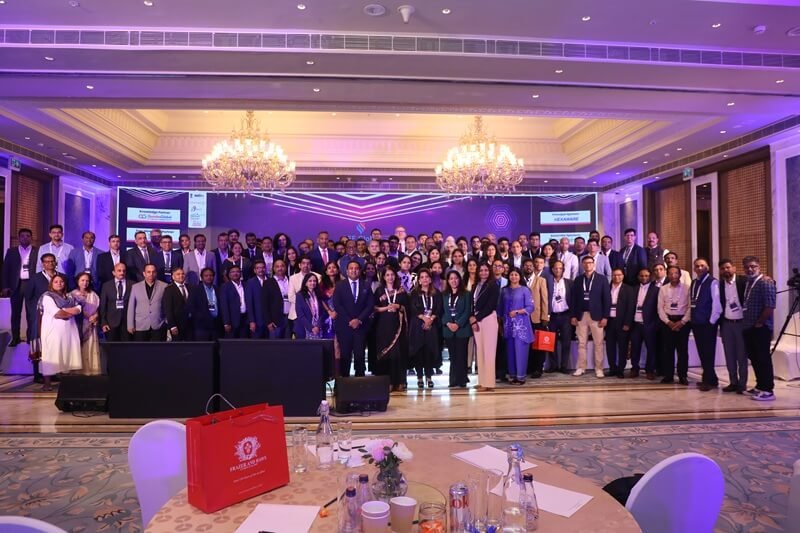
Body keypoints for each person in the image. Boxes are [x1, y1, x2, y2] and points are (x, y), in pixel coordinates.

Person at [37, 274, 82, 391]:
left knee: (67, 353)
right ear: (51, 284)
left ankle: (66, 382)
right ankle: (47, 384)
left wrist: (65, 310)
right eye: (56, 282)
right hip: (53, 331)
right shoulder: (47, 297)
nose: (59, 284)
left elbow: (79, 308)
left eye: (61, 281)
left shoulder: (69, 296)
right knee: (51, 355)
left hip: (69, 330)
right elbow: (57, 314)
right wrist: (70, 312)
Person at [741, 256, 777, 401]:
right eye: (747, 267)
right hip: (748, 326)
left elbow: (770, 306)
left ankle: (768, 390)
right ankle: (760, 385)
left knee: (763, 358)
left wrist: (760, 322)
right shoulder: (748, 282)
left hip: (760, 327)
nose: (750, 269)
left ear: (759, 266)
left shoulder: (765, 282)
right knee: (754, 357)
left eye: (753, 266)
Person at [332, 261, 375, 377]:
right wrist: (349, 320)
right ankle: (343, 381)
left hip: (361, 326)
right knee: (345, 355)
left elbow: (370, 305)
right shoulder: (340, 285)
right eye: (351, 268)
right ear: (347, 271)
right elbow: (337, 304)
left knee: (360, 355)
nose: (354, 270)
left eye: (356, 268)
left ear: (360, 271)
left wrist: (359, 320)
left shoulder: (366, 285)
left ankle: (360, 381)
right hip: (344, 326)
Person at [570, 255, 611, 378]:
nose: (588, 265)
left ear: (594, 264)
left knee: (598, 343)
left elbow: (607, 299)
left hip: (597, 316)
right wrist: (573, 315)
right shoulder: (578, 280)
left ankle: (599, 368)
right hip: (581, 315)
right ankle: (581, 367)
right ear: (582, 265)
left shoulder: (602, 279)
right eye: (585, 263)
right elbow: (573, 299)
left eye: (590, 263)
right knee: (581, 343)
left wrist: (605, 317)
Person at [372, 265, 409, 392]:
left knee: (398, 354)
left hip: (398, 326)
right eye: (387, 275)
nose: (390, 277)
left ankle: (400, 381)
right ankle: (388, 382)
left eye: (392, 274)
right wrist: (387, 308)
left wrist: (398, 306)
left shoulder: (401, 290)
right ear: (383, 277)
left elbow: (407, 307)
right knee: (386, 353)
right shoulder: (379, 291)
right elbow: (374, 308)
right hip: (383, 326)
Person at [689, 258, 722, 391]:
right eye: (697, 266)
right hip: (696, 322)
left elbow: (717, 304)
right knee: (702, 352)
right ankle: (710, 378)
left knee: (708, 352)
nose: (699, 268)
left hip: (707, 323)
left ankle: (708, 381)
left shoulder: (713, 282)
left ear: (707, 267)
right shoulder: (694, 282)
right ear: (694, 268)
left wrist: (711, 322)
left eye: (702, 265)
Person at [498, 268, 535, 384]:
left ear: (520, 277)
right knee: (510, 351)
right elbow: (500, 308)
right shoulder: (504, 291)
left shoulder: (525, 290)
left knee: (521, 351)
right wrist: (499, 322)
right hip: (508, 326)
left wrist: (518, 312)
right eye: (512, 274)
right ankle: (512, 375)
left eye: (516, 275)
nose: (514, 277)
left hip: (521, 326)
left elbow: (531, 307)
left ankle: (521, 376)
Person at [2, 228, 37, 346]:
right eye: (22, 236)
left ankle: (30, 338)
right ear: (19, 238)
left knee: (31, 313)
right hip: (16, 285)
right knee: (15, 313)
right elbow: (5, 269)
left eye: (28, 236)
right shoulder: (11, 251)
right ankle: (15, 338)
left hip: (31, 284)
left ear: (31, 238)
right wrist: (5, 286)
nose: (25, 238)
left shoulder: (37, 251)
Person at [26, 253, 58, 382]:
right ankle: (37, 374)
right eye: (47, 261)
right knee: (38, 343)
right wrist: (34, 314)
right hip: (39, 316)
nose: (50, 263)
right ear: (42, 264)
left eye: (52, 261)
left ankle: (53, 373)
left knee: (53, 344)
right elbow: (29, 297)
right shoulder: (35, 278)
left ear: (55, 262)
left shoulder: (61, 277)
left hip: (56, 316)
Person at [717, 258, 747, 393]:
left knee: (741, 355)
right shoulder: (719, 285)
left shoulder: (743, 281)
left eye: (728, 267)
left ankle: (742, 384)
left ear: (734, 268)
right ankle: (733, 382)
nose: (726, 270)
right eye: (723, 268)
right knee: (729, 355)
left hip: (741, 324)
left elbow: (762, 282)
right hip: (727, 324)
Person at [408, 268, 442, 389]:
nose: (424, 279)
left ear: (430, 279)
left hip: (431, 325)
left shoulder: (436, 293)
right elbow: (412, 308)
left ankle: (429, 376)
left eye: (426, 277)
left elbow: (439, 308)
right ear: (419, 280)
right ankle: (419, 377)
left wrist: (431, 319)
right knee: (419, 351)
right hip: (418, 325)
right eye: (422, 277)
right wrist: (423, 318)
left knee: (429, 351)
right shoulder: (414, 293)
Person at [658, 266, 692, 385]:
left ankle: (683, 375)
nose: (673, 276)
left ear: (680, 275)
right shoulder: (663, 289)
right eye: (671, 273)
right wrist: (668, 322)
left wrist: (682, 322)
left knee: (682, 350)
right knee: (668, 350)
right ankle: (668, 375)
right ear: (667, 275)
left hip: (683, 322)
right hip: (668, 322)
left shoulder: (687, 288)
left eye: (676, 273)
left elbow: (690, 307)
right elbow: (660, 308)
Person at [469, 262, 500, 391]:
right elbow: (472, 303)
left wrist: (476, 318)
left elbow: (491, 305)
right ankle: (482, 381)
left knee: (489, 352)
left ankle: (489, 383)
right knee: (480, 351)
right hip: (477, 319)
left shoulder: (493, 285)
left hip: (488, 319)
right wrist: (472, 318)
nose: (483, 272)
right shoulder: (475, 285)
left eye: (486, 270)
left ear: (490, 271)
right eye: (481, 270)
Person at [629, 267, 661, 380]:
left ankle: (650, 370)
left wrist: (656, 324)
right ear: (638, 277)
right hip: (636, 324)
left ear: (650, 277)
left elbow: (659, 308)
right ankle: (634, 368)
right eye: (641, 276)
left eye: (646, 276)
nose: (644, 278)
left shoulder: (656, 290)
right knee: (635, 348)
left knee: (651, 348)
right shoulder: (633, 289)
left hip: (649, 324)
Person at [442, 270, 471, 388]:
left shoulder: (466, 294)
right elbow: (441, 311)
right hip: (448, 329)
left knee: (461, 355)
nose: (454, 281)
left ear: (459, 279)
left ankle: (462, 379)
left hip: (462, 329)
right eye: (451, 279)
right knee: (453, 356)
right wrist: (448, 323)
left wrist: (458, 324)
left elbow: (467, 311)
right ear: (448, 281)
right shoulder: (444, 295)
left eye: (456, 278)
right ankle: (453, 379)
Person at [69, 272, 101, 375]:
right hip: (77, 325)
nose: (85, 283)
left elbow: (97, 309)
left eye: (87, 281)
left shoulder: (93, 294)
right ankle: (77, 371)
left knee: (90, 346)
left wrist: (95, 316)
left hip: (91, 325)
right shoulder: (72, 294)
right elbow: (72, 309)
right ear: (78, 281)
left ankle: (90, 371)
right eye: (82, 280)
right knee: (78, 347)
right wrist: (87, 316)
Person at [127, 264, 168, 341]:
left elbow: (167, 306)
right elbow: (131, 307)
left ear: (156, 273)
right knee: (141, 348)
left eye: (153, 272)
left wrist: (166, 321)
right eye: (148, 272)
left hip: (158, 325)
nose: (151, 274)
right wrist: (130, 325)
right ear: (144, 273)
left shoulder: (164, 286)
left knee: (158, 348)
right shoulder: (135, 287)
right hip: (140, 325)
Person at [606, 268, 634, 378]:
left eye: (619, 275)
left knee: (622, 346)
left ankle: (621, 369)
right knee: (610, 346)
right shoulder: (607, 287)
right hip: (609, 321)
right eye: (614, 275)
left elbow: (630, 308)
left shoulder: (628, 289)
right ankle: (612, 368)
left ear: (623, 276)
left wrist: (627, 323)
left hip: (622, 322)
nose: (616, 277)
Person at [526, 256, 551, 378]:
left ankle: (538, 368)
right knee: (528, 345)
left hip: (537, 317)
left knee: (539, 345)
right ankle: (529, 367)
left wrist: (545, 317)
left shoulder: (541, 280)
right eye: (526, 266)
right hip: (524, 318)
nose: (528, 267)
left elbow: (544, 300)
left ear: (533, 267)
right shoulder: (520, 281)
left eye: (530, 265)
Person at [547, 260, 573, 374]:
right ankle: (553, 365)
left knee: (566, 342)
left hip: (565, 315)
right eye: (556, 268)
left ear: (563, 270)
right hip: (552, 316)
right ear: (552, 269)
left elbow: (573, 300)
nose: (558, 270)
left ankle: (564, 366)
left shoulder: (569, 283)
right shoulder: (547, 282)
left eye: (560, 268)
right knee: (551, 342)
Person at [288, 255, 321, 339]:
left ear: (311, 265)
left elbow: (318, 294)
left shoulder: (318, 277)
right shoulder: (293, 278)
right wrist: (305, 303)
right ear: (299, 265)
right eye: (303, 263)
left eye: (308, 263)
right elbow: (291, 297)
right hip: (298, 315)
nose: (306, 265)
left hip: (316, 316)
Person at [99, 262, 133, 342]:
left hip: (127, 323)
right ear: (113, 272)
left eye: (124, 271)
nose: (122, 273)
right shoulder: (106, 285)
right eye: (119, 270)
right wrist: (103, 323)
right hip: (111, 322)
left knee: (127, 347)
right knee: (112, 347)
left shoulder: (133, 284)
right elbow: (103, 305)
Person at [187, 268, 222, 341]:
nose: (209, 277)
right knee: (203, 347)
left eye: (211, 275)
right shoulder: (195, 290)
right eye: (206, 276)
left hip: (216, 325)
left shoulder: (218, 289)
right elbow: (191, 307)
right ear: (202, 278)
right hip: (201, 327)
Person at [295, 272, 329, 340]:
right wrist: (311, 328)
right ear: (305, 283)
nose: (312, 283)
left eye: (314, 281)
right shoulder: (300, 295)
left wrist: (318, 326)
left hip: (318, 327)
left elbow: (323, 312)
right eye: (310, 281)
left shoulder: (319, 294)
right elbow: (300, 314)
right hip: (305, 327)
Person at [163, 266, 192, 341]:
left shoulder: (190, 287)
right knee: (178, 346)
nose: (181, 276)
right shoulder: (169, 289)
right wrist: (172, 326)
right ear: (173, 277)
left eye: (182, 274)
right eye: (178, 274)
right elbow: (168, 309)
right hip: (177, 325)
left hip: (190, 324)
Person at [264, 258, 291, 339]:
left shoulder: (291, 280)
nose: (280, 268)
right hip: (275, 320)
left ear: (285, 267)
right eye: (277, 266)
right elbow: (265, 304)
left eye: (282, 266)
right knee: (275, 344)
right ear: (273, 269)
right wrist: (268, 321)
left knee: (289, 343)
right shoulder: (268, 283)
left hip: (290, 318)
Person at [220, 265, 249, 338]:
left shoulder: (246, 285)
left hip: (245, 320)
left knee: (244, 342)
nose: (235, 273)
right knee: (232, 343)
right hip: (232, 321)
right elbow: (224, 306)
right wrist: (226, 323)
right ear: (229, 275)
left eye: (237, 272)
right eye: (232, 272)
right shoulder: (225, 287)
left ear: (241, 273)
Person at [245, 259, 268, 338]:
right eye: (258, 268)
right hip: (257, 321)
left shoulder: (271, 281)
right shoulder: (250, 283)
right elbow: (249, 303)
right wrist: (252, 321)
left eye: (262, 267)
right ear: (254, 270)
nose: (261, 270)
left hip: (269, 322)